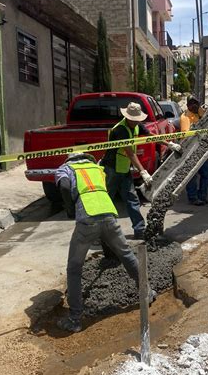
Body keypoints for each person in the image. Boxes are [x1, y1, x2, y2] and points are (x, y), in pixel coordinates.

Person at [55, 152, 155, 333]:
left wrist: (70, 209)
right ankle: (147, 292)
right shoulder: (97, 168)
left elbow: (63, 186)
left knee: (74, 267)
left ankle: (75, 319)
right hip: (109, 215)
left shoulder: (65, 169)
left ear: (69, 160)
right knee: (126, 254)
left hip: (87, 219)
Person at [101, 101, 152, 239]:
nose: (136, 122)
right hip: (111, 169)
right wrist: (143, 171)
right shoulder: (121, 130)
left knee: (132, 199)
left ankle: (140, 230)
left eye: (138, 120)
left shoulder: (136, 125)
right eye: (134, 120)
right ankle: (105, 233)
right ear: (127, 117)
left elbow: (151, 136)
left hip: (123, 169)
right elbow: (130, 153)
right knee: (107, 201)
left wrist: (168, 143)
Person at [180, 95, 208, 206]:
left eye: (196, 103)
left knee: (206, 174)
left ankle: (202, 196)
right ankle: (193, 197)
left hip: (201, 148)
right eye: (191, 103)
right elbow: (186, 135)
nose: (194, 105)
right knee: (192, 176)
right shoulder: (185, 117)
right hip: (190, 150)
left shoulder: (199, 113)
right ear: (187, 105)